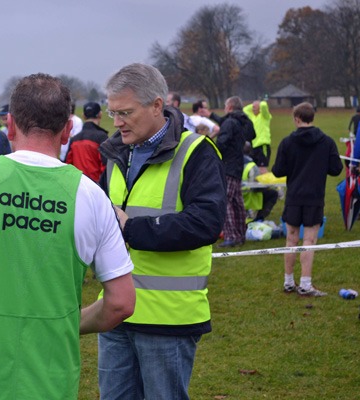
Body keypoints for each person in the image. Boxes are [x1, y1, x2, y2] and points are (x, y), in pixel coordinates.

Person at [0, 73, 135, 400]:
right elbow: (121, 303)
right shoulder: (91, 196)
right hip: (51, 382)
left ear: (9, 126)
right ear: (66, 131)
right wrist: (67, 323)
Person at [98, 63, 226, 400]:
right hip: (115, 312)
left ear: (157, 105)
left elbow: (206, 223)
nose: (117, 122)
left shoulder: (195, 153)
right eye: (112, 113)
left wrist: (132, 228)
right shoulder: (115, 153)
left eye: (125, 112)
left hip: (167, 320)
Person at [272, 102, 343, 297]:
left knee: (291, 239)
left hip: (294, 196)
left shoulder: (287, 142)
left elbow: (278, 170)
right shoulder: (327, 142)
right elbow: (336, 168)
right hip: (314, 197)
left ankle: (289, 281)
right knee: (309, 240)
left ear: (296, 119)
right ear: (312, 118)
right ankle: (304, 283)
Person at [216, 96, 254, 248]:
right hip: (238, 165)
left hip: (228, 166)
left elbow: (222, 143)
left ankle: (231, 236)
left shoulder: (229, 122)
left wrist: (214, 152)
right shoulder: (241, 121)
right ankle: (240, 234)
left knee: (226, 201)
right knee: (237, 202)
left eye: (225, 106)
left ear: (230, 107)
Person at [65, 101, 109, 182]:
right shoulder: (102, 137)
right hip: (97, 187)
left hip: (77, 185)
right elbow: (106, 167)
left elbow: (68, 165)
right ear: (100, 114)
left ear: (83, 116)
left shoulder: (74, 139)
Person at [242, 142, 278, 222]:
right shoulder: (251, 166)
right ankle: (258, 218)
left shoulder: (230, 163)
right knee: (273, 193)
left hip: (233, 199)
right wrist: (268, 185)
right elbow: (256, 187)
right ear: (250, 152)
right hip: (249, 201)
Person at [243, 100, 272, 173]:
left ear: (260, 108)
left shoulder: (265, 116)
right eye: (252, 107)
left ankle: (267, 184)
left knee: (262, 169)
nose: (253, 109)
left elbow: (264, 106)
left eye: (255, 107)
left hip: (262, 146)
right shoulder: (252, 117)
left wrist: (259, 103)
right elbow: (245, 110)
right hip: (253, 147)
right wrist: (254, 104)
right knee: (254, 168)